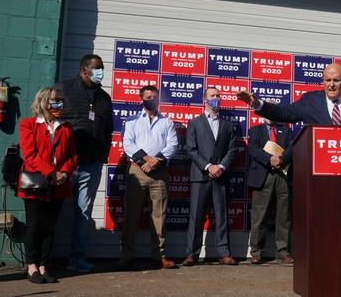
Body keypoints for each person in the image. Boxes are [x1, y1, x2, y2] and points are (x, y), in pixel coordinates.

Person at [58, 54, 113, 273]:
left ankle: (77, 258)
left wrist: (102, 155)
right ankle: (43, 260)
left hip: (91, 164)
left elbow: (108, 129)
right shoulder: (63, 90)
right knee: (52, 211)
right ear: (84, 70)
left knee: (83, 213)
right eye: (97, 68)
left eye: (102, 68)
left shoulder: (103, 98)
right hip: (65, 164)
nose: (101, 72)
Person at [17, 87, 77, 283]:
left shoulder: (66, 127)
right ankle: (31, 266)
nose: (59, 103)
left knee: (50, 227)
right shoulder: (28, 124)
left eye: (60, 100)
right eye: (54, 100)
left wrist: (64, 172)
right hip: (36, 182)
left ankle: (44, 266)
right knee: (35, 225)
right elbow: (29, 155)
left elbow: (72, 155)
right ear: (43, 102)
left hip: (59, 183)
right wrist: (51, 173)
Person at [117, 85, 178, 270]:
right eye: (148, 97)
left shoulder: (167, 122)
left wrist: (156, 161)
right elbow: (127, 143)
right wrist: (145, 159)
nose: (151, 99)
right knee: (131, 215)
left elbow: (173, 145)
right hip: (137, 171)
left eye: (154, 97)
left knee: (159, 215)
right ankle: (127, 255)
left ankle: (159, 256)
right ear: (141, 99)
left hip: (159, 173)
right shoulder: (131, 121)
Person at [182, 87, 238, 266]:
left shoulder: (228, 125)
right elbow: (191, 149)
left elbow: (232, 150)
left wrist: (220, 167)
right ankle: (191, 254)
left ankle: (224, 253)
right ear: (204, 99)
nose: (216, 98)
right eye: (212, 96)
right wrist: (208, 167)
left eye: (218, 95)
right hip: (200, 175)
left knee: (221, 216)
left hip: (220, 176)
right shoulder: (194, 123)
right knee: (196, 216)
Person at [247, 119, 293, 264]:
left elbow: (292, 149)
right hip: (262, 175)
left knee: (283, 216)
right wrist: (270, 159)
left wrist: (281, 159)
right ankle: (256, 252)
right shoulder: (255, 130)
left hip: (282, 176)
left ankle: (283, 251)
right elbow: (253, 149)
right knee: (259, 216)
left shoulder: (286, 130)